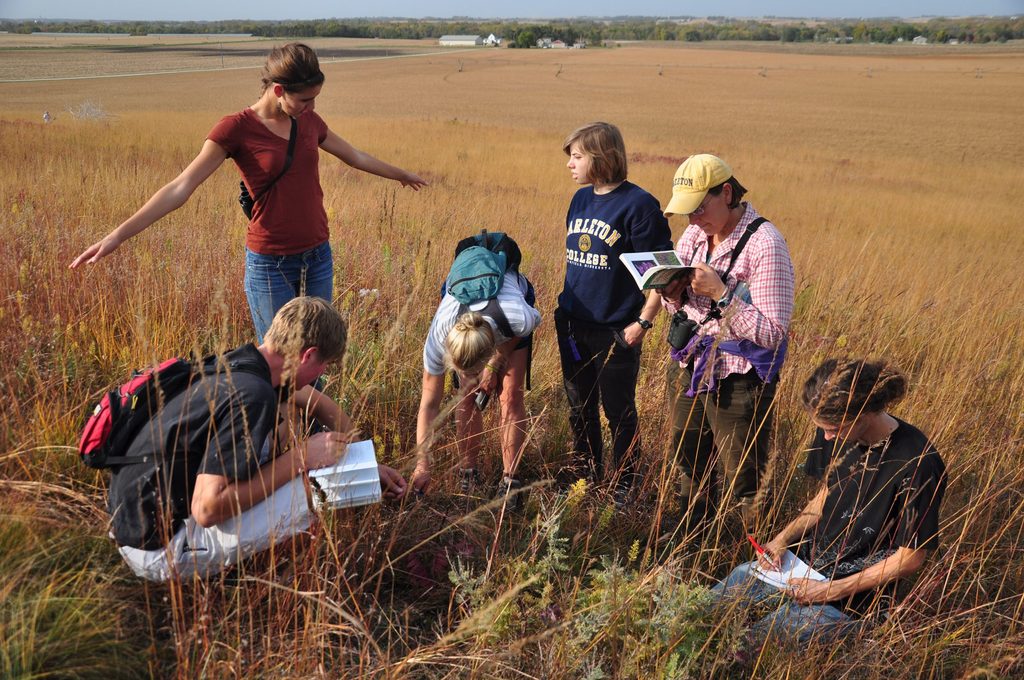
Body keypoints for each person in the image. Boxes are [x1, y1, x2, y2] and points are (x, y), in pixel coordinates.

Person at [70, 43, 427, 342]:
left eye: (315, 99)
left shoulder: (309, 123)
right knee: (279, 363)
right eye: (304, 100)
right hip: (271, 264)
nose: (311, 108)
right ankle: (275, 426)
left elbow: (355, 156)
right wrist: (116, 236)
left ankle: (312, 427)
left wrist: (400, 174)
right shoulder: (235, 129)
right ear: (277, 90)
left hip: (318, 256)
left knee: (315, 355)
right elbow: (181, 186)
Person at [108, 296, 407, 582]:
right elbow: (207, 508)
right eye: (325, 365)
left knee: (302, 460)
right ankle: (266, 587)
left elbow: (316, 403)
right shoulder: (253, 396)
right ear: (308, 355)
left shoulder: (243, 365)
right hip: (158, 546)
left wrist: (368, 468)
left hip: (134, 519)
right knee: (321, 491)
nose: (323, 372)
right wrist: (303, 456)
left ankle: (243, 571)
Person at [713, 359, 946, 644]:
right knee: (708, 611)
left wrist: (829, 591)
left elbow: (911, 558)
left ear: (866, 412)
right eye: (822, 428)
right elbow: (824, 497)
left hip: (853, 598)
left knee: (754, 644)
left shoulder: (918, 463)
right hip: (799, 566)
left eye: (834, 428)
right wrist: (781, 540)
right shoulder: (833, 426)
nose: (826, 437)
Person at [660, 154, 795, 530]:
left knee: (745, 478)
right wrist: (673, 294)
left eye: (699, 209)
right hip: (690, 368)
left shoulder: (766, 244)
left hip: (740, 380)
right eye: (687, 212)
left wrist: (722, 295)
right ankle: (693, 545)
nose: (693, 220)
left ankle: (752, 559)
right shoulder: (693, 236)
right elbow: (684, 308)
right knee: (688, 465)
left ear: (728, 193)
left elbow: (772, 333)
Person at [555, 122, 672, 501]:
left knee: (618, 412)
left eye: (576, 156)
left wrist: (642, 323)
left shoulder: (639, 206)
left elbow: (663, 273)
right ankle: (584, 477)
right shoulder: (580, 200)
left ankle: (623, 485)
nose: (570, 165)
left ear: (601, 157)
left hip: (617, 329)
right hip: (573, 325)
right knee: (579, 406)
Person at [412, 254, 541, 500]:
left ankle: (510, 480)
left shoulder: (517, 316)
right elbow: (428, 404)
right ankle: (468, 473)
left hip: (507, 301)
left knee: (511, 396)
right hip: (462, 294)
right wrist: (422, 465)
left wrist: (495, 365)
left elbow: (532, 322)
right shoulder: (439, 335)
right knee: (467, 394)